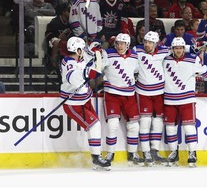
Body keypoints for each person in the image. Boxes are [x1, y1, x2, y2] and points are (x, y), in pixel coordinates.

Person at [162, 37, 207, 167]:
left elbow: (205, 71)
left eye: (181, 48)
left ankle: (192, 153)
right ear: (172, 49)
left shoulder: (192, 60)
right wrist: (193, 47)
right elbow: (158, 51)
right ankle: (173, 152)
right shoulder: (164, 59)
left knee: (189, 127)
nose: (178, 50)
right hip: (169, 99)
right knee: (170, 128)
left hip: (187, 99)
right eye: (176, 48)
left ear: (184, 48)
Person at [60, 36, 111, 170]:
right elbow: (72, 77)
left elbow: (94, 60)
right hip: (74, 104)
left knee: (94, 126)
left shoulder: (81, 58)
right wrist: (86, 73)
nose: (83, 51)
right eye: (81, 49)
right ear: (77, 50)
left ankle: (96, 157)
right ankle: (96, 158)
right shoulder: (68, 62)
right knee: (94, 126)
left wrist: (95, 50)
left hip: (85, 100)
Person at [101, 33, 145, 166]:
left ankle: (133, 153)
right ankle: (110, 153)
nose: (120, 46)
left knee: (134, 125)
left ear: (127, 45)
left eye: (122, 43)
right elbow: (98, 68)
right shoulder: (107, 54)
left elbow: (137, 70)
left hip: (129, 94)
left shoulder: (134, 56)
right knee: (112, 124)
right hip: (112, 93)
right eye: (118, 43)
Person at [135, 31, 168, 166]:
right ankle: (146, 151)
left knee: (158, 120)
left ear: (155, 43)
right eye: (145, 42)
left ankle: (155, 149)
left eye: (149, 42)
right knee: (145, 121)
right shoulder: (137, 50)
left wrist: (194, 47)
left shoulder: (164, 51)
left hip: (159, 91)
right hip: (143, 92)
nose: (146, 44)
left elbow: (178, 49)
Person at [45, 2, 72, 73]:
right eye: (69, 11)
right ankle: (53, 65)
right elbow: (48, 34)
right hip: (54, 41)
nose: (71, 14)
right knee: (56, 41)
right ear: (63, 12)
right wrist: (58, 37)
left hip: (68, 42)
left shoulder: (73, 22)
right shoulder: (54, 22)